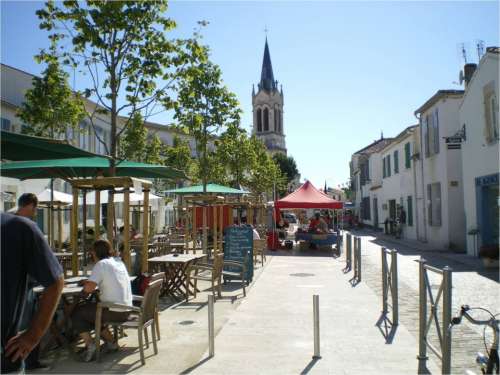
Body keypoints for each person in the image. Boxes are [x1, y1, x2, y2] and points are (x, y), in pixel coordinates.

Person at [2, 193, 64, 373]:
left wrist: (33, 335)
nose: (35, 212)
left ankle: (33, 359)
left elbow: (55, 281)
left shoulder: (18, 227)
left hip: (4, 359)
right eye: (35, 209)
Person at [71, 239, 132, 362]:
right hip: (126, 309)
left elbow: (89, 288)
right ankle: (111, 343)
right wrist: (90, 283)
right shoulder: (118, 262)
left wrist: (81, 294)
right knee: (91, 312)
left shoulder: (101, 264)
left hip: (114, 311)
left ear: (94, 253)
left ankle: (90, 345)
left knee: (77, 313)